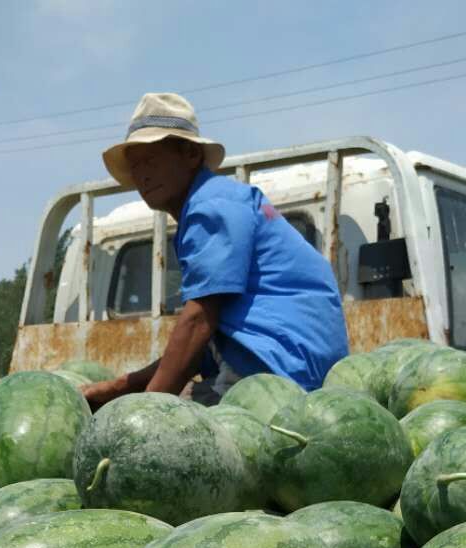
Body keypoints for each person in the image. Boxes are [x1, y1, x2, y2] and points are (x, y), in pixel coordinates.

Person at [84, 92, 349, 412]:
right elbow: (201, 348)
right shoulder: (220, 201)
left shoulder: (210, 207)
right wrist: (122, 386)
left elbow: (197, 322)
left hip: (278, 378)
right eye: (136, 165)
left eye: (152, 159)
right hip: (289, 368)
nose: (143, 174)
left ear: (190, 154)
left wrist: (143, 412)